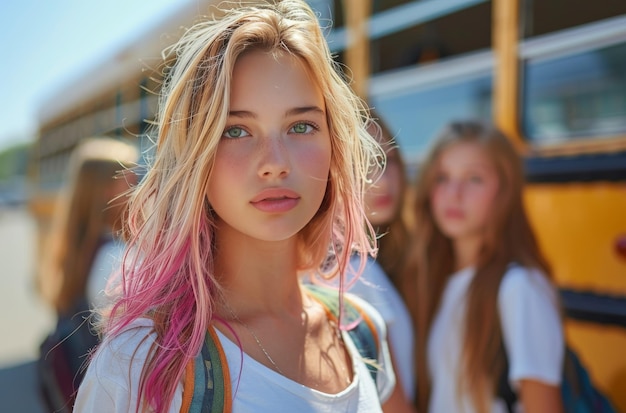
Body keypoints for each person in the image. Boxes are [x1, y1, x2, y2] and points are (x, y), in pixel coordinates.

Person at [74, 1, 415, 412]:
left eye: (301, 126)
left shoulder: (362, 333)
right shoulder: (145, 363)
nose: (275, 162)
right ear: (195, 158)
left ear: (334, 147)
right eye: (235, 130)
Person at [401, 120, 564, 413]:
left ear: (504, 191)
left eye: (474, 179)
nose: (454, 193)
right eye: (442, 178)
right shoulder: (435, 281)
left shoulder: (520, 287)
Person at [306, 111, 415, 403]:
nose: (381, 181)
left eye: (386, 160)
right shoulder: (355, 274)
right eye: (359, 165)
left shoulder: (349, 264)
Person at [36, 136, 139, 411]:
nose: (139, 187)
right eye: (132, 178)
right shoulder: (116, 258)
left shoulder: (78, 249)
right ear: (107, 190)